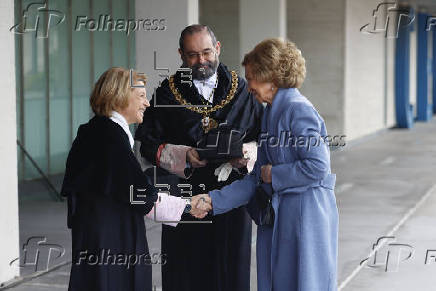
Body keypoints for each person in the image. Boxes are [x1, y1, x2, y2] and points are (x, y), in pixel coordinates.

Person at [197, 38, 339, 291]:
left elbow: (318, 167)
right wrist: (211, 201)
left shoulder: (297, 110)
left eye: (251, 77)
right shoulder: (272, 112)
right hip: (280, 218)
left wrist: (275, 174)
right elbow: (255, 179)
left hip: (305, 219)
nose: (248, 84)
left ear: (270, 77)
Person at [135, 25, 263, 291]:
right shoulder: (167, 94)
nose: (201, 61)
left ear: (217, 48)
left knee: (231, 266)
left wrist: (246, 155)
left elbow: (264, 137)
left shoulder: (243, 92)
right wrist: (184, 156)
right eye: (193, 55)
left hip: (231, 195)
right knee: (186, 268)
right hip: (184, 197)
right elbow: (147, 144)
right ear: (181, 54)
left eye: (206, 52)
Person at [61, 67, 209, 291]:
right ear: (118, 96)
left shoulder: (95, 131)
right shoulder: (110, 137)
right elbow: (141, 196)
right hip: (111, 240)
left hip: (99, 237)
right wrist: (188, 206)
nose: (147, 103)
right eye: (140, 96)